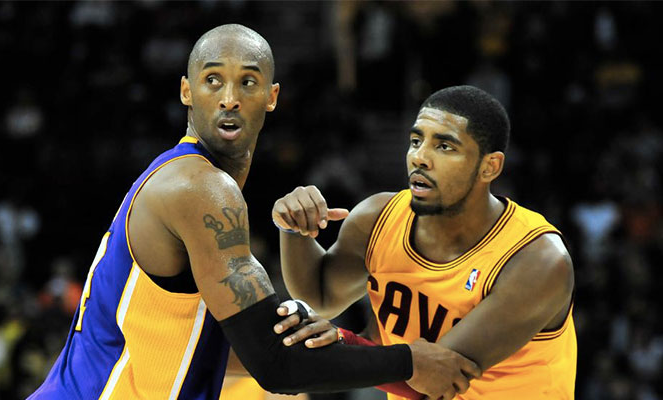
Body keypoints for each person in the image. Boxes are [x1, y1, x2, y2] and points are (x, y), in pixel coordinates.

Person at [28, 25, 481, 400]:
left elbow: (229, 351)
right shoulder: (200, 187)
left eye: (247, 81)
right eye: (212, 81)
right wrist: (409, 362)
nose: (229, 97)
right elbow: (275, 364)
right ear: (186, 91)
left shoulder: (183, 179)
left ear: (272, 96)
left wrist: (351, 347)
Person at [272, 85, 577, 400]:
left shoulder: (537, 259)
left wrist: (341, 342)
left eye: (444, 146)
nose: (420, 157)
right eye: (416, 141)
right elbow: (321, 295)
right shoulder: (378, 218)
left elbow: (436, 381)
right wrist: (294, 228)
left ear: (490, 166)